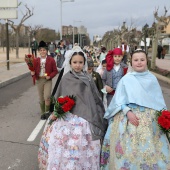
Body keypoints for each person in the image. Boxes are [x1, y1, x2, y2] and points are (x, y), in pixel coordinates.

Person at [38, 46, 108, 170]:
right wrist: (57, 111)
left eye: (80, 62)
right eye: (75, 62)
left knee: (84, 146)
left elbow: (95, 97)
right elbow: (60, 97)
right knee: (65, 145)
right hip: (68, 116)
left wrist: (99, 114)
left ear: (84, 63)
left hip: (86, 118)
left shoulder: (88, 78)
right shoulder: (66, 78)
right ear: (70, 63)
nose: (77, 65)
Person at [100, 49, 170, 169]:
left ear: (146, 61)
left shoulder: (152, 79)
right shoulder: (126, 79)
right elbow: (118, 101)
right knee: (127, 151)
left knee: (151, 150)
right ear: (131, 62)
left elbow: (158, 101)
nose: (139, 62)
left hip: (150, 121)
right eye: (135, 60)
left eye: (142, 60)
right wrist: (128, 112)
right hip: (128, 117)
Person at [30, 41, 58, 120]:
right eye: (41, 50)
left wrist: (50, 76)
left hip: (47, 80)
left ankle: (47, 112)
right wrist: (32, 73)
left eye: (44, 50)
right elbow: (33, 71)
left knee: (47, 96)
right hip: (39, 80)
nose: (43, 52)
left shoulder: (51, 60)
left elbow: (55, 71)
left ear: (47, 51)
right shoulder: (36, 60)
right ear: (39, 51)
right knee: (41, 98)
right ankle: (42, 113)